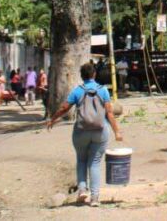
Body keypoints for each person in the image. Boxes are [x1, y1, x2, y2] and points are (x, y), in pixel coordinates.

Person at [47, 62, 123, 207]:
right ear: (94, 74)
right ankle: (94, 198)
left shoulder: (77, 91)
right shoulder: (103, 91)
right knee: (94, 163)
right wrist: (117, 132)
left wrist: (53, 119)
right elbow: (109, 113)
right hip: (100, 132)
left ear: (82, 76)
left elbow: (64, 108)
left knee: (81, 160)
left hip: (81, 132)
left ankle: (82, 190)